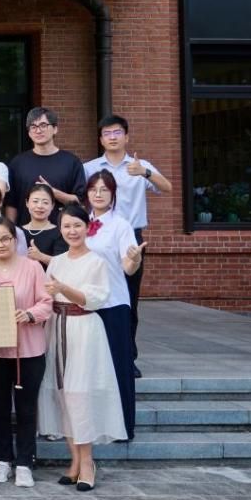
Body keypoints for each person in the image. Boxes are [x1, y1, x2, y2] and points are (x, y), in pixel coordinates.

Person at [38, 204, 128, 491]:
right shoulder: (56, 261)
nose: (72, 231)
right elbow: (47, 296)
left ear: (87, 227)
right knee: (62, 394)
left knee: (80, 394)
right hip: (57, 328)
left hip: (84, 330)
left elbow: (94, 299)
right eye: (66, 226)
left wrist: (63, 289)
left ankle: (88, 462)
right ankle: (74, 460)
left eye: (77, 225)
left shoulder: (96, 262)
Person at [83, 114, 172, 378]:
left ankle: (127, 357)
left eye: (117, 132)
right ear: (100, 139)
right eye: (107, 133)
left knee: (128, 299)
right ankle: (97, 355)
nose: (112, 137)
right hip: (97, 236)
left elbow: (167, 187)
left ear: (127, 136)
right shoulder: (89, 168)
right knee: (94, 295)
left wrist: (144, 172)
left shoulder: (140, 165)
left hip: (130, 237)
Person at [0, 215, 52, 488]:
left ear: (15, 239)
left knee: (26, 407)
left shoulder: (32, 267)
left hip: (29, 350)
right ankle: (1, 458)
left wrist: (30, 314)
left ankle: (24, 461)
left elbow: (46, 302)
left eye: (5, 239)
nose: (0, 244)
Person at [84, 170, 145, 439]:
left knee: (117, 365)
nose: (98, 194)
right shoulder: (78, 222)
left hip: (112, 304)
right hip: (84, 303)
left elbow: (127, 267)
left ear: (113, 194)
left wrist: (135, 259)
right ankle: (92, 424)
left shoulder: (121, 225)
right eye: (93, 189)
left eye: (104, 189)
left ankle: (123, 427)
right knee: (89, 367)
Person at [6, 107, 87, 223]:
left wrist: (53, 192)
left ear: (55, 129)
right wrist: (11, 229)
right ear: (29, 132)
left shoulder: (71, 162)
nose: (38, 131)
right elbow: (11, 204)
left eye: (43, 125)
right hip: (25, 231)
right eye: (33, 127)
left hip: (62, 231)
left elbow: (80, 202)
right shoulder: (17, 163)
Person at [20, 183, 68, 268]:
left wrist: (41, 256)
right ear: (27, 203)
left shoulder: (59, 233)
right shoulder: (18, 231)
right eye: (35, 201)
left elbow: (62, 265)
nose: (39, 206)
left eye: (45, 202)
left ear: (52, 206)